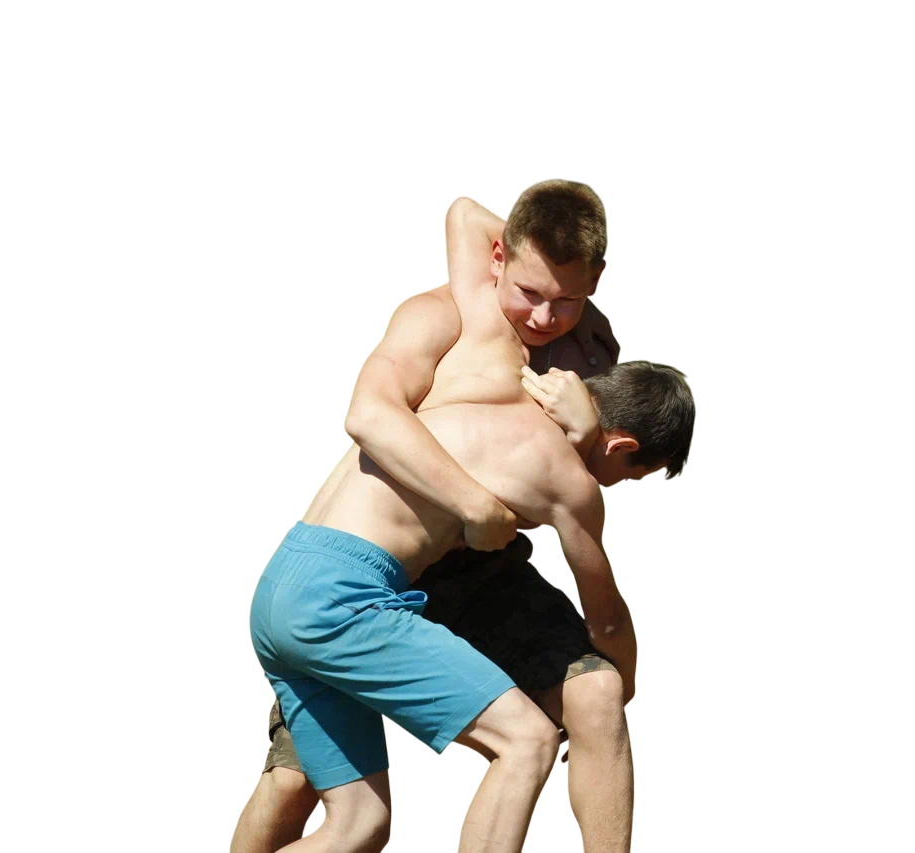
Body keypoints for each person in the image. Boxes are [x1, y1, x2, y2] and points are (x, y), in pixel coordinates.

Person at [237, 179, 695, 853]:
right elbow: (608, 618)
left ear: (596, 280)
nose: (545, 317)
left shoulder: (572, 350)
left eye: (567, 299)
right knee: (522, 741)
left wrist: (582, 371)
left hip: (304, 574)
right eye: (531, 292)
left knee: (360, 823)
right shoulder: (464, 318)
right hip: (350, 586)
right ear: (500, 257)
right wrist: (474, 504)